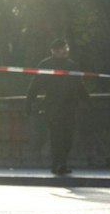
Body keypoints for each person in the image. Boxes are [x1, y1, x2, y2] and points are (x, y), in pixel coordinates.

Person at [25, 37, 88, 175]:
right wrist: (29, 102)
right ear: (54, 51)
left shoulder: (71, 65)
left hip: (69, 106)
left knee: (68, 138)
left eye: (66, 48)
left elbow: (79, 84)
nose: (65, 51)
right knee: (57, 136)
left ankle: (62, 163)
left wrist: (87, 100)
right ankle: (58, 164)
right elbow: (35, 86)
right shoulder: (46, 65)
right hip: (53, 107)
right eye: (62, 49)